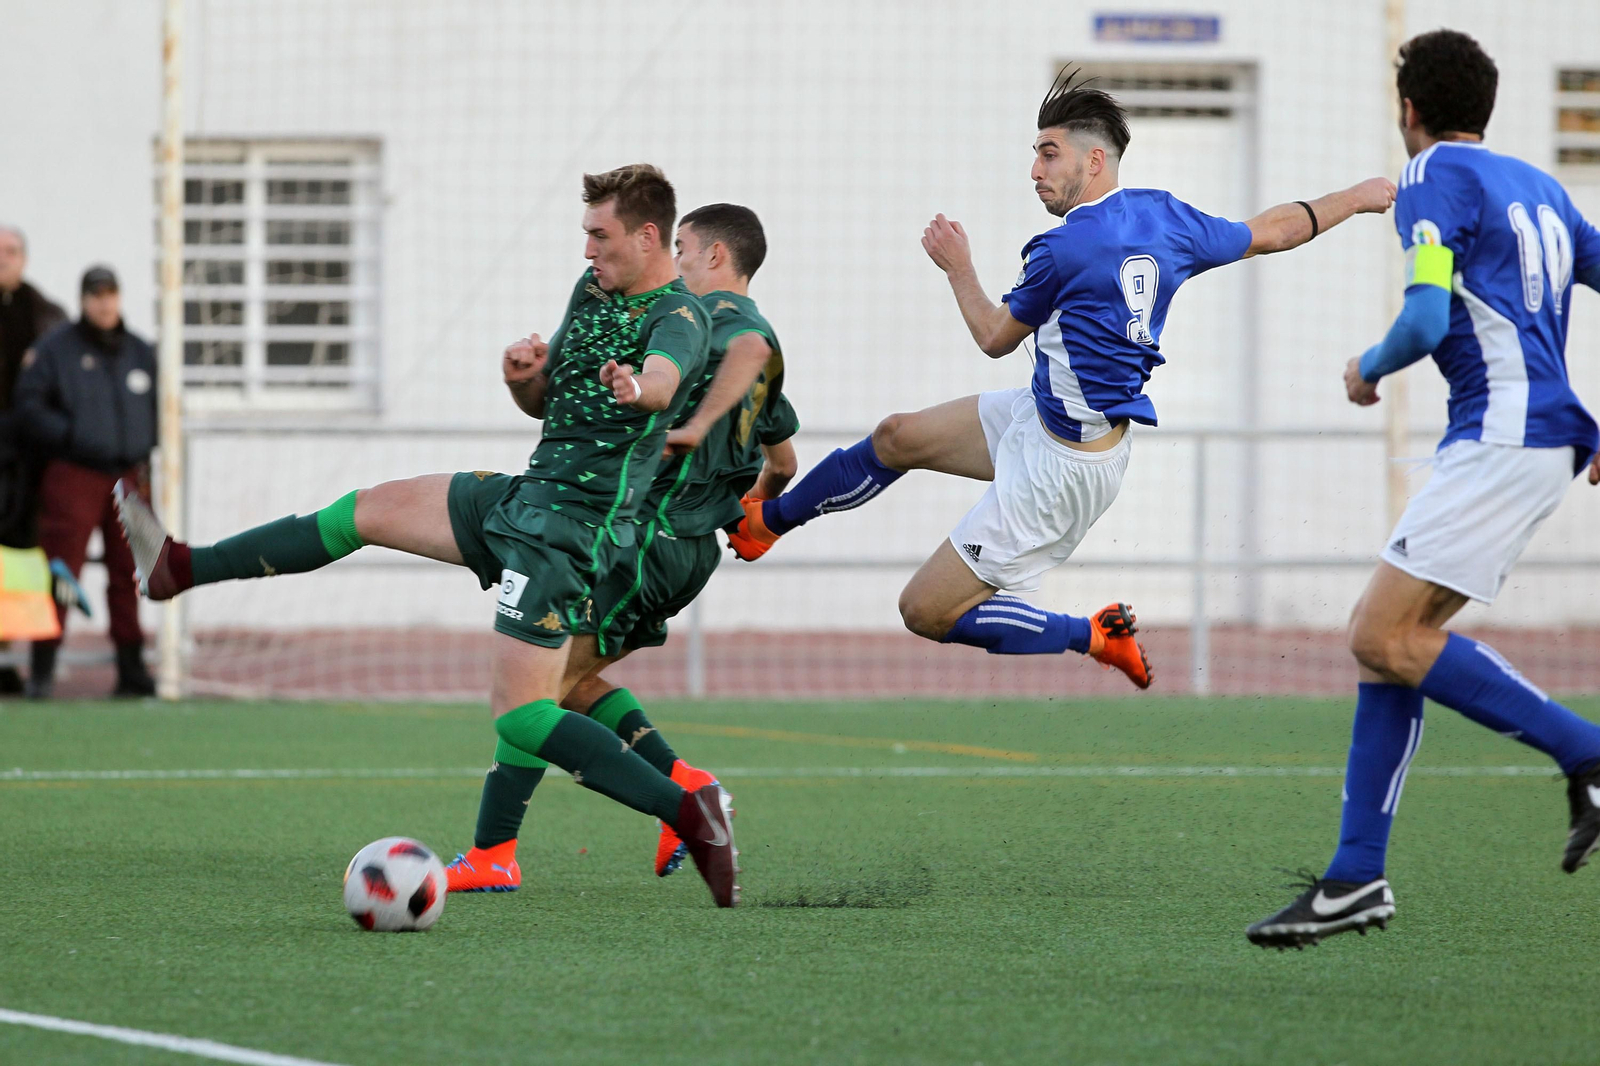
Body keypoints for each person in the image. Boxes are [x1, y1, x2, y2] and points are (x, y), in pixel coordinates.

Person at [116, 165, 742, 907]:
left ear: (646, 236)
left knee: (525, 711)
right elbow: (546, 402)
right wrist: (523, 376)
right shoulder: (593, 289)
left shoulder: (680, 316)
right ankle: (180, 567)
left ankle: (686, 813)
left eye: (599, 236)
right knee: (364, 511)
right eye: (585, 235)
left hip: (571, 534)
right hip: (525, 497)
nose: (586, 251)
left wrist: (639, 387)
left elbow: (663, 381)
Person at [727, 70, 1396, 691]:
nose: (1035, 171)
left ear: (1093, 160)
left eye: (1049, 155)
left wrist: (958, 267)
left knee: (924, 610)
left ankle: (1094, 635)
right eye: (1036, 154)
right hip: (1045, 416)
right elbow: (1273, 230)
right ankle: (768, 524)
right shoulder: (1166, 217)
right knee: (897, 436)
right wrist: (1359, 198)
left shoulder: (1062, 248)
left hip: (1063, 469)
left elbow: (994, 337)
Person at [1247, 30, 1600, 950]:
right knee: (1392, 648)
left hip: (1503, 438)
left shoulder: (1429, 177)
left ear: (1407, 108)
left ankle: (1587, 750)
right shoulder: (1541, 187)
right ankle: (1354, 876)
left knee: (1380, 634)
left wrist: (1367, 368)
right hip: (1537, 441)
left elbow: (1426, 316)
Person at [447, 203, 800, 892]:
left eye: (682, 249)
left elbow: (723, 364)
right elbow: (783, 461)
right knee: (568, 682)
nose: (674, 263)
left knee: (534, 698)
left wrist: (678, 421)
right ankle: (684, 784)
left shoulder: (710, 325)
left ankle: (498, 853)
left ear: (716, 257)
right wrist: (755, 519)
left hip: (646, 540)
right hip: (686, 551)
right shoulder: (765, 344)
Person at [15, 266, 156, 698]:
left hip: (129, 476)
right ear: (83, 300)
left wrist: (145, 443)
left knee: (130, 570)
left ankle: (131, 667)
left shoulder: (140, 351)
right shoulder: (56, 350)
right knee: (62, 569)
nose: (104, 303)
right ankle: (43, 665)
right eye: (96, 295)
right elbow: (29, 406)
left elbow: (160, 406)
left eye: (110, 294)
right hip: (75, 473)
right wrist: (72, 436)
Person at [0, 225, 65, 550]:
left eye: (10, 252)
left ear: (23, 259)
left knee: (29, 535)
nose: (3, 259)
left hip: (31, 448)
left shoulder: (48, 317)